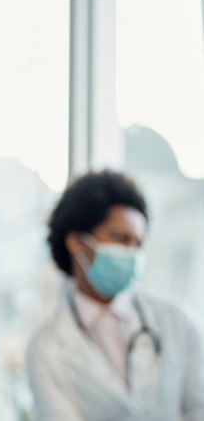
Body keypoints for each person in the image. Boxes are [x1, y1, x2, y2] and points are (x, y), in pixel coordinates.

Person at [27, 170, 204, 420]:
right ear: (77, 242)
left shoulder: (178, 321)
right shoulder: (45, 349)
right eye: (121, 239)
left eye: (137, 243)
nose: (131, 253)